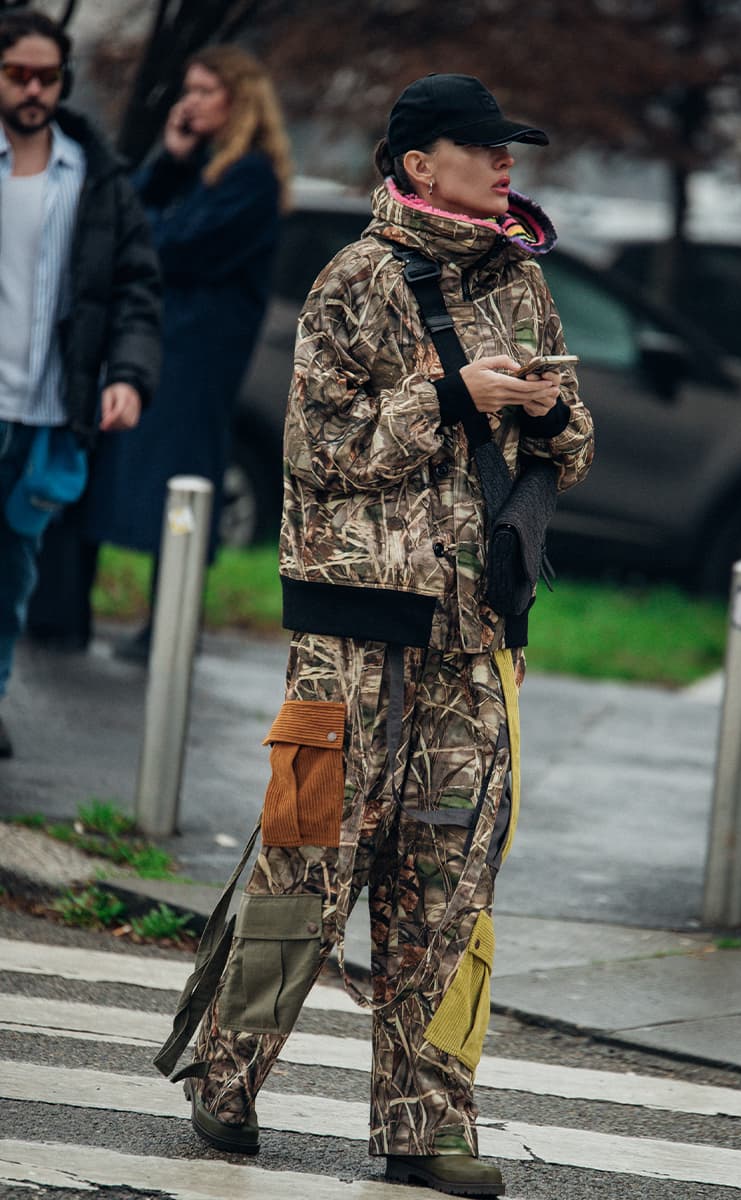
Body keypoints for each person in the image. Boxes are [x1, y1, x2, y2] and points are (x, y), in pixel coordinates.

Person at [155, 74, 594, 1197]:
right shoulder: (353, 279)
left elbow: (572, 446)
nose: (506, 164)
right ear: (415, 164)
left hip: (474, 637)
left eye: (509, 146)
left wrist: (545, 417)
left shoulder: (523, 282)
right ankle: (225, 1075)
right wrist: (452, 396)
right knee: (309, 872)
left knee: (447, 891)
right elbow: (319, 450)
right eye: (482, 147)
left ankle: (424, 1127)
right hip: (351, 642)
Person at [29, 44, 291, 662]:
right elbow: (127, 219)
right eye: (188, 88)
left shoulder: (248, 177)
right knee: (108, 468)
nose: (188, 101)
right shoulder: (197, 165)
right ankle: (65, 613)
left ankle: (167, 627)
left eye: (204, 90)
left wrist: (155, 214)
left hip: (198, 354)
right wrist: (168, 160)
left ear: (238, 99)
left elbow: (166, 245)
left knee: (180, 479)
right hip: (152, 342)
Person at [0, 8, 161, 759]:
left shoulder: (92, 175)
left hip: (46, 413)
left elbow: (134, 287)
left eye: (47, 76)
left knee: (12, 575)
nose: (34, 89)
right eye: (17, 74)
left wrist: (126, 375)